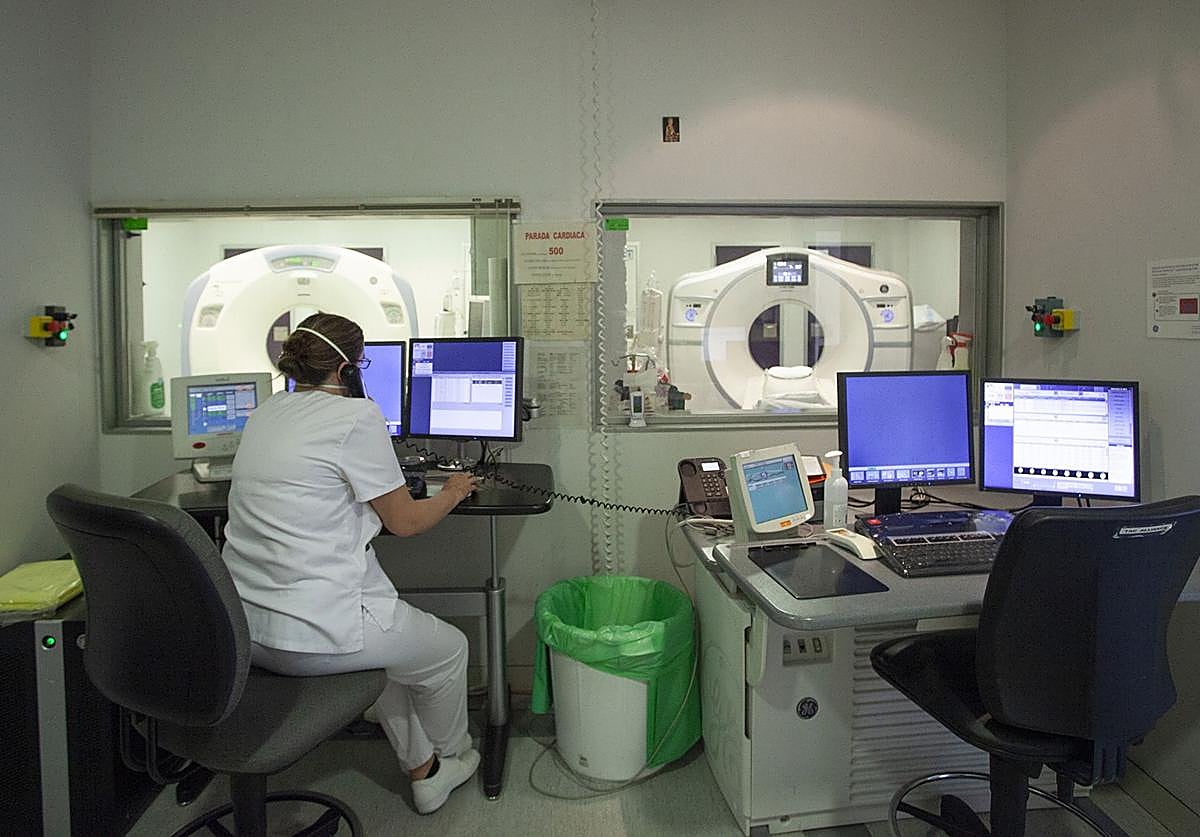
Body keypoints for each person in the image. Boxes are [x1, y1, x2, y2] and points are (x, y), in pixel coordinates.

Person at [220, 312, 481, 814]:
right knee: (449, 651)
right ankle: (456, 756)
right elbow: (404, 522)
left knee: (385, 662)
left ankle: (424, 772)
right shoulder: (357, 416)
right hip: (315, 631)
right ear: (346, 369)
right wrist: (452, 491)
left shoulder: (268, 413)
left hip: (248, 629)